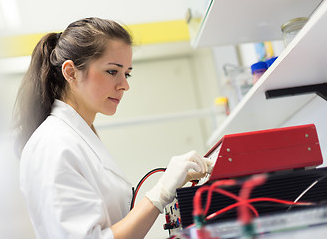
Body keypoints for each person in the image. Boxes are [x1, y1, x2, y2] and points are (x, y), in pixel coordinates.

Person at [14, 17, 212, 239]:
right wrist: (160, 193)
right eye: (112, 71)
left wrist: (172, 183)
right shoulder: (53, 145)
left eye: (126, 73)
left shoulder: (78, 136)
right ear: (70, 73)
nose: (125, 85)